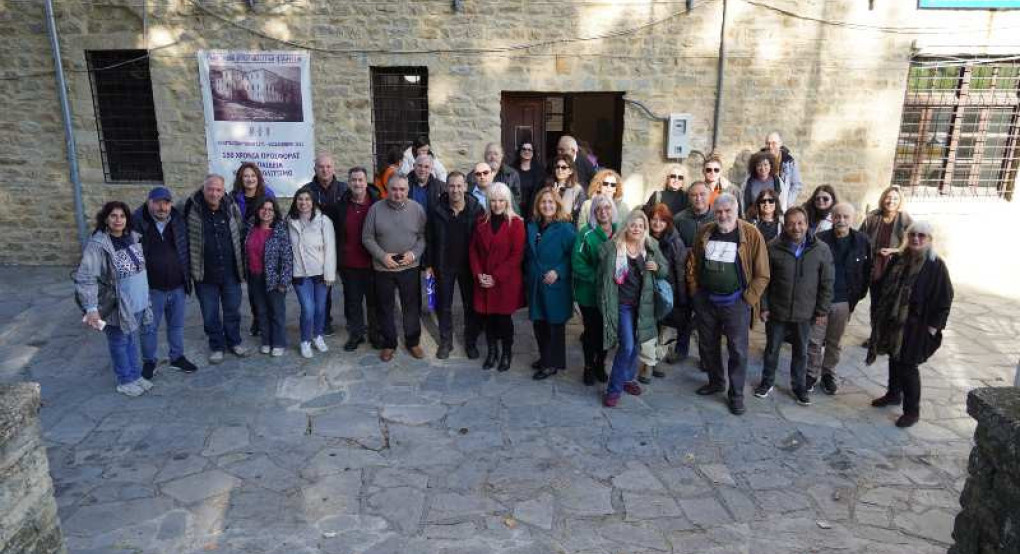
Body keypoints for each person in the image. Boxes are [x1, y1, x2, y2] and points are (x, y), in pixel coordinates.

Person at [687, 193, 770, 415]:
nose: (723, 216)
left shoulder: (751, 235)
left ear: (737, 211)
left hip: (736, 303)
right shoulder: (705, 231)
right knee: (707, 345)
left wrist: (747, 300)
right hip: (707, 301)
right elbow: (693, 262)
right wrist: (695, 291)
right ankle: (716, 382)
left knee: (737, 350)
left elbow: (762, 274)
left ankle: (736, 395)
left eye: (728, 212)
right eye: (719, 212)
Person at [866, 221, 953, 428]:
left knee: (908, 365)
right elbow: (885, 285)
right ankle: (894, 394)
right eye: (913, 234)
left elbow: (945, 298)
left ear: (929, 240)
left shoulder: (935, 266)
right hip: (894, 321)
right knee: (894, 358)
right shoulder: (899, 259)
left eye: (921, 236)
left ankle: (912, 411)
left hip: (916, 325)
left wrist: (933, 328)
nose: (916, 239)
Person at [754, 207, 834, 406]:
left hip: (805, 313)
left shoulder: (821, 250)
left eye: (800, 223)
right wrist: (763, 306)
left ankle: (799, 387)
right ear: (784, 225)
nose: (795, 228)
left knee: (801, 352)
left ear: (807, 225)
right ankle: (767, 381)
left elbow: (827, 282)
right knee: (772, 349)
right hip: (777, 311)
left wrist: (822, 310)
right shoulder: (773, 247)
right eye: (790, 223)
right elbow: (765, 280)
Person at [74, 201, 153, 396]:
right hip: (115, 304)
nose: (118, 220)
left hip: (136, 302)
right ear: (106, 219)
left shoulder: (132, 237)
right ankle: (124, 380)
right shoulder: (98, 244)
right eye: (113, 216)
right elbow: (86, 277)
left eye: (122, 216)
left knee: (131, 340)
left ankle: (135, 375)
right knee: (119, 342)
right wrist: (91, 307)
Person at [598, 209, 668, 407]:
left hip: (643, 304)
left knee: (636, 344)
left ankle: (628, 379)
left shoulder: (650, 246)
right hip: (622, 305)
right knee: (627, 346)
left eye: (640, 225)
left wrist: (657, 267)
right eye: (633, 225)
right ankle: (614, 389)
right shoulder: (614, 247)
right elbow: (601, 273)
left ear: (645, 228)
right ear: (626, 226)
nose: (636, 228)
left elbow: (664, 270)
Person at [133, 187, 197, 378]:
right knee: (149, 328)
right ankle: (149, 361)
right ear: (149, 202)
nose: (162, 207)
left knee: (176, 325)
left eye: (166, 203)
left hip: (177, 285)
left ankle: (177, 357)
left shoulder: (178, 221)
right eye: (158, 202)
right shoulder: (137, 223)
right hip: (152, 288)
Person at [362, 174, 428, 362]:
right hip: (384, 268)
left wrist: (414, 254)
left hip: (410, 266)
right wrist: (382, 256)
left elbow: (423, 237)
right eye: (394, 189)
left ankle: (413, 341)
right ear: (387, 190)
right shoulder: (375, 209)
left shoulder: (417, 209)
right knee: (385, 307)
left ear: (408, 190)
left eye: (402, 189)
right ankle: (389, 343)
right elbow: (367, 237)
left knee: (411, 307)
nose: (398, 193)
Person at [183, 174, 248, 363]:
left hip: (230, 272)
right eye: (210, 189)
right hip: (204, 273)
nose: (214, 193)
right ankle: (217, 346)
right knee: (210, 314)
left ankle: (234, 342)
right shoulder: (190, 207)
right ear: (204, 189)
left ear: (223, 191)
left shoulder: (231, 207)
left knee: (232, 311)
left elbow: (240, 232)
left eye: (218, 189)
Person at [809, 202, 872, 395]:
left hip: (844, 301)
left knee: (834, 341)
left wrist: (856, 298)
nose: (841, 221)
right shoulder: (819, 239)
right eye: (837, 217)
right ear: (832, 218)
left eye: (846, 217)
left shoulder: (862, 241)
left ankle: (828, 374)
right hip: (820, 300)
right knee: (814, 340)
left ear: (852, 219)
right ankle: (811, 374)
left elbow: (866, 272)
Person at [425, 171, 483, 360]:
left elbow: (482, 240)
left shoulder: (476, 209)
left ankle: (470, 342)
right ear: (446, 187)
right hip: (444, 265)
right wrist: (429, 265)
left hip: (468, 265)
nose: (455, 190)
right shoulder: (437, 209)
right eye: (452, 186)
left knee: (470, 306)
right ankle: (446, 342)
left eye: (459, 186)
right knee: (444, 306)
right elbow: (430, 239)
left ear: (465, 187)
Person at [469, 182, 526, 371]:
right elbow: (473, 251)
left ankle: (506, 353)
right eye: (493, 200)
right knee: (489, 319)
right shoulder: (481, 222)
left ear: (507, 201)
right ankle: (492, 352)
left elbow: (516, 255)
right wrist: (479, 275)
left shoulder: (516, 224)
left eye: (501, 200)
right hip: (484, 280)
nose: (497, 204)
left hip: (505, 282)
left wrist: (495, 277)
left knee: (503, 320)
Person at [526, 186, 577, 381]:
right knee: (539, 324)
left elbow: (574, 255)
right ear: (538, 205)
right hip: (536, 283)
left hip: (555, 284)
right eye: (543, 202)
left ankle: (551, 364)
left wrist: (559, 271)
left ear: (557, 205)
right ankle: (544, 357)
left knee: (553, 326)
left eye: (550, 202)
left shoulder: (565, 228)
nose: (547, 205)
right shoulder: (532, 226)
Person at [329, 166, 382, 352]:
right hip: (349, 264)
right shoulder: (341, 205)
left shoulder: (377, 203)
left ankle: (375, 334)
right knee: (352, 302)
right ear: (349, 182)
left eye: (360, 180)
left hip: (373, 263)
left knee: (374, 302)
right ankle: (356, 334)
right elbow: (335, 232)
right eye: (353, 180)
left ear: (366, 182)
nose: (357, 183)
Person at [638, 203, 689, 383]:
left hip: (667, 293)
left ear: (668, 222)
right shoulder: (642, 238)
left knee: (664, 332)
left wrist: (682, 298)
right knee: (649, 329)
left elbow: (681, 271)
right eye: (654, 219)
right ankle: (649, 365)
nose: (657, 223)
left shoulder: (675, 242)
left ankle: (653, 362)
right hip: (645, 291)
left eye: (662, 220)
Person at [300, 153, 347, 336]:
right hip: (318, 248)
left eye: (328, 166)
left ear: (333, 168)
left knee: (349, 287)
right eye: (321, 167)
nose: (325, 170)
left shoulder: (344, 189)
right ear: (315, 169)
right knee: (322, 287)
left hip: (343, 245)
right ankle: (324, 322)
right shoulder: (307, 190)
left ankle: (352, 322)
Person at [572, 195, 616, 386]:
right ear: (594, 212)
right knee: (591, 331)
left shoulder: (619, 231)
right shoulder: (586, 233)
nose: (603, 212)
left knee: (606, 331)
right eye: (599, 209)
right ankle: (588, 366)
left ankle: (600, 364)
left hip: (610, 293)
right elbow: (577, 262)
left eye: (607, 208)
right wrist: (598, 277)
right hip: (589, 293)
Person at [288, 189, 336, 359]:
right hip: (300, 273)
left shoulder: (323, 221)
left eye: (307, 199)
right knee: (308, 309)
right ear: (295, 202)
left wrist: (330, 274)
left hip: (321, 274)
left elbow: (330, 249)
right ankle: (305, 341)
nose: (304, 202)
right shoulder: (289, 222)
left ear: (313, 201)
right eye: (300, 199)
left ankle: (318, 335)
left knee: (320, 308)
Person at [860, 186, 914, 335]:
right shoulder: (873, 217)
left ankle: (886, 337)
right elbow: (860, 238)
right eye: (888, 197)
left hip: (895, 267)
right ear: (883, 199)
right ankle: (875, 336)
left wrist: (895, 250)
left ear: (900, 201)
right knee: (876, 303)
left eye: (895, 198)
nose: (891, 201)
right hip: (875, 266)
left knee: (890, 304)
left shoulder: (905, 220)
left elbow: (914, 243)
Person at [231, 162, 277, 337]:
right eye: (246, 176)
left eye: (253, 176)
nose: (250, 179)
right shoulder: (234, 197)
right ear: (241, 179)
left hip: (265, 243)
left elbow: (275, 216)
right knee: (253, 287)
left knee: (268, 283)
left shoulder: (267, 194)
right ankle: (258, 318)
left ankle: (270, 319)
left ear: (258, 178)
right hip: (244, 245)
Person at [243, 198, 292, 357]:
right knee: (261, 311)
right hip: (254, 276)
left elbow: (287, 257)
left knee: (276, 312)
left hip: (274, 278)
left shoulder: (280, 230)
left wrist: (284, 281)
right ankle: (266, 341)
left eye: (270, 209)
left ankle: (278, 342)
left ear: (274, 212)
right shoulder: (251, 227)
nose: (266, 212)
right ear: (258, 210)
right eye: (263, 208)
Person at [469, 143, 521, 209]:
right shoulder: (473, 175)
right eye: (489, 154)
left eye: (496, 154)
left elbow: (517, 199)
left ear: (502, 156)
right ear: (485, 157)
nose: (493, 157)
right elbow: (469, 197)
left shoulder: (512, 174)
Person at [764, 132, 804, 204]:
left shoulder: (789, 162)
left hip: (782, 205)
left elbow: (797, 185)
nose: (770, 146)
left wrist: (787, 202)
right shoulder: (758, 160)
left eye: (774, 143)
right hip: (764, 203)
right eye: (768, 143)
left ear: (780, 144)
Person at [546, 154, 587, 223]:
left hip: (568, 226)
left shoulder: (577, 189)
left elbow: (578, 216)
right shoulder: (548, 186)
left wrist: (558, 200)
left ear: (570, 171)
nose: (560, 170)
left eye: (563, 167)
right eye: (557, 167)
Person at [673, 182, 715, 247]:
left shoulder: (718, 217)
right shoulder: (678, 219)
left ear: (710, 195)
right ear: (689, 197)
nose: (698, 198)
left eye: (702, 194)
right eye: (694, 195)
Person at [513, 141, 543, 220]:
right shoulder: (512, 170)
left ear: (533, 153)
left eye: (530, 150)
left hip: (533, 210)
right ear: (520, 151)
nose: (527, 151)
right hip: (515, 209)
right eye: (524, 149)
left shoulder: (540, 171)